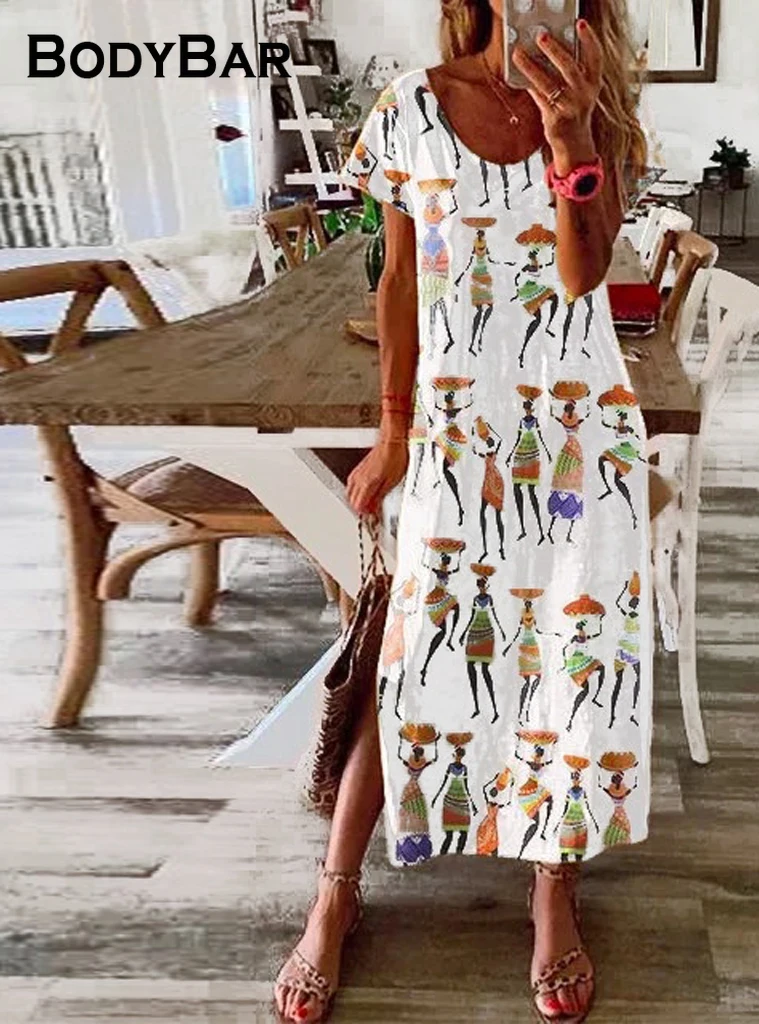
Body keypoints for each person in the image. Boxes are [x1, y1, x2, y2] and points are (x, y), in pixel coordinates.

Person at [273, 3, 651, 1021]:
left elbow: (582, 275)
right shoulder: (410, 106)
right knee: (412, 656)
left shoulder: (603, 110)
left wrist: (570, 135)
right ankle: (335, 890)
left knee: (572, 662)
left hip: (577, 426)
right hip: (452, 427)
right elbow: (399, 279)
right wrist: (393, 431)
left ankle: (553, 888)